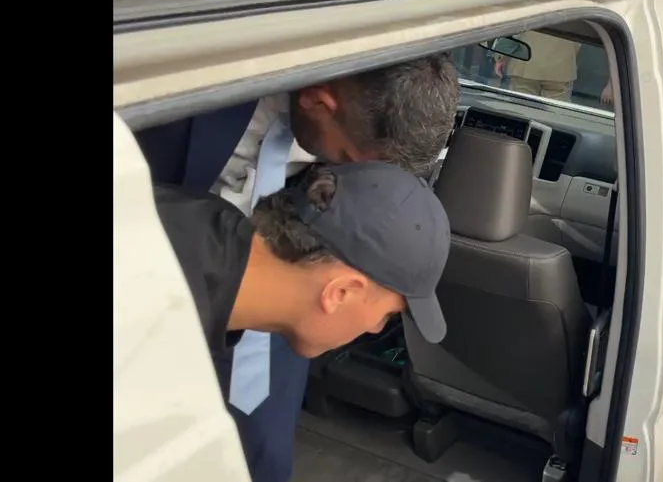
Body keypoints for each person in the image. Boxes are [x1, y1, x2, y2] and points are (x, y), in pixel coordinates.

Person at [140, 54, 461, 482]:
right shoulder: (139, 282)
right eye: (385, 315)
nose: (373, 331)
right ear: (317, 102)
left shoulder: (386, 119)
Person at [154, 162, 451, 402]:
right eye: (387, 314)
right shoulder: (158, 333)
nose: (376, 328)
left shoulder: (198, 215)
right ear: (342, 292)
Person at [494, 30, 582, 101]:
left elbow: (514, 27)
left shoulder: (533, 7)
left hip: (526, 64)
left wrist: (500, 56)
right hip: (561, 68)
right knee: (556, 112)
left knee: (522, 108)